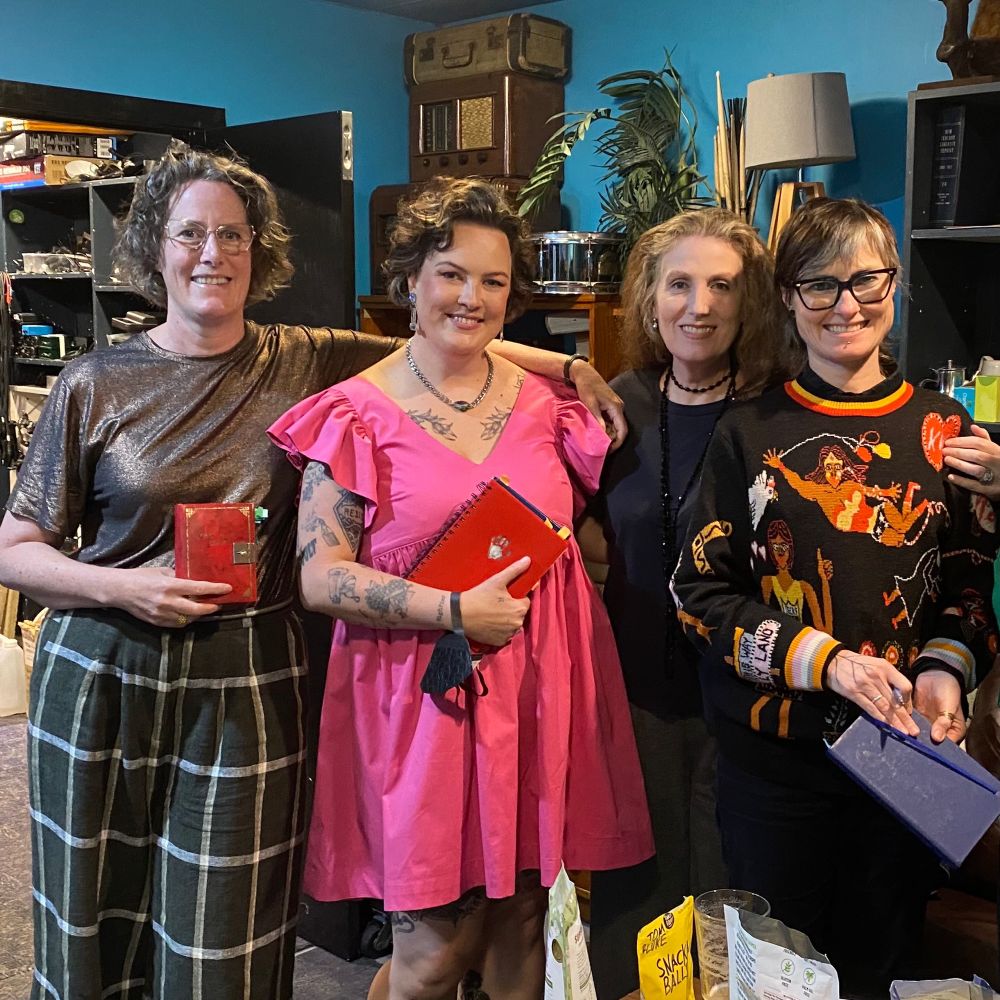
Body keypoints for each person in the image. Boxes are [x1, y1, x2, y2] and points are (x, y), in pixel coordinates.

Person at [0, 146, 626, 1000]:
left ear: (260, 254)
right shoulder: (92, 380)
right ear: (154, 248)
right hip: (106, 658)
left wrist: (575, 364)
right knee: (89, 909)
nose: (211, 252)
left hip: (247, 666)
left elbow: (453, 336)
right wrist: (124, 586)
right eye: (190, 233)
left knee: (230, 926)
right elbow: (14, 548)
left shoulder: (304, 357)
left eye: (232, 234)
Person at [268, 176, 654, 1000]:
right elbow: (320, 576)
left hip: (537, 690)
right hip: (420, 699)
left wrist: (572, 364)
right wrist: (449, 608)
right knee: (433, 955)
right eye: (450, 273)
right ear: (410, 277)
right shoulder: (355, 414)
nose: (470, 297)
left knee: (520, 927)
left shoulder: (552, 404)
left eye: (493, 280)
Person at [671, 197, 999, 998]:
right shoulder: (750, 432)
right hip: (776, 772)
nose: (846, 304)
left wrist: (945, 674)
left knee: (883, 968)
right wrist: (827, 663)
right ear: (787, 297)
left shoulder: (945, 430)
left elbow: (968, 588)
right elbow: (698, 592)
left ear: (894, 284)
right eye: (819, 285)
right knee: (777, 975)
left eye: (866, 281)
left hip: (905, 768)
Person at [578, 208, 800, 999]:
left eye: (722, 286)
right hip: (633, 693)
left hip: (749, 706)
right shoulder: (616, 404)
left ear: (752, 305)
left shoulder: (783, 411)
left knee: (735, 908)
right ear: (649, 298)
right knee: (635, 912)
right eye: (679, 283)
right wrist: (567, 368)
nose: (699, 305)